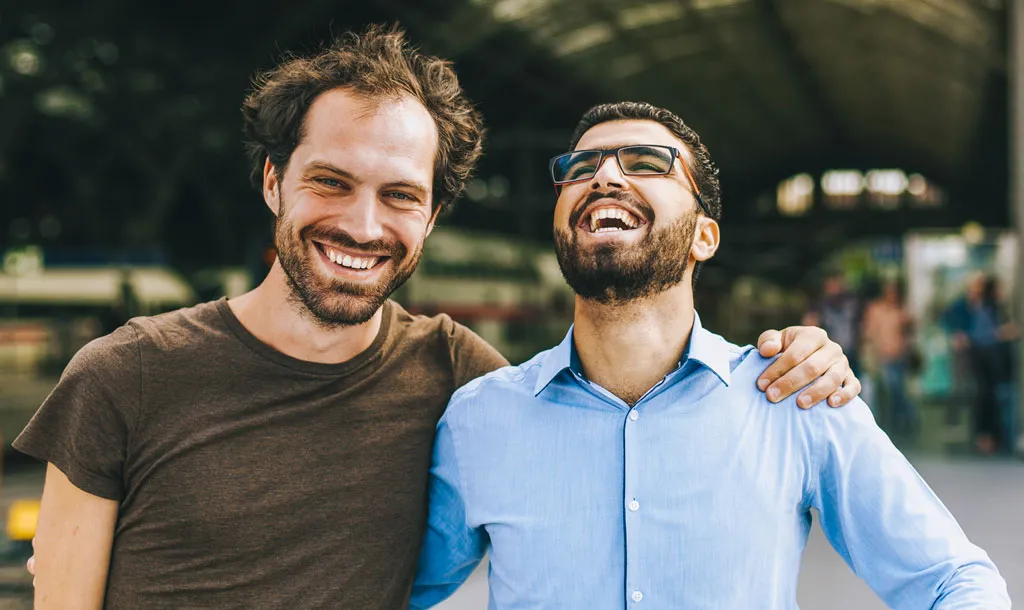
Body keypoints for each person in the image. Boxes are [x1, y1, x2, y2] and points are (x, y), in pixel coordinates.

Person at [17, 28, 861, 610]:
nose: (362, 224)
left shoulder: (461, 379)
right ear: (273, 180)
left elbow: (608, 445)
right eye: (330, 182)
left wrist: (802, 364)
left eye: (400, 197)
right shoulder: (124, 374)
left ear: (429, 217)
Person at [411, 102, 1009, 608]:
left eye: (646, 163)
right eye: (580, 168)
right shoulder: (479, 419)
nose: (604, 178)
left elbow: (953, 581)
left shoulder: (796, 398)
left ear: (705, 236)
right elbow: (386, 589)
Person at [944, 272, 1018, 454]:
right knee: (985, 397)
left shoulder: (993, 308)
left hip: (992, 361)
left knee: (990, 397)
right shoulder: (976, 307)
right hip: (984, 360)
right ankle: (985, 436)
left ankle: (989, 436)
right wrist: (1000, 333)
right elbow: (981, 335)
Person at [861, 278, 918, 437]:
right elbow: (869, 333)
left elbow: (910, 331)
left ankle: (902, 421)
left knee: (898, 390)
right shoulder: (876, 310)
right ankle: (898, 421)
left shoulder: (901, 311)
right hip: (883, 358)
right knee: (890, 390)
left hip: (900, 357)